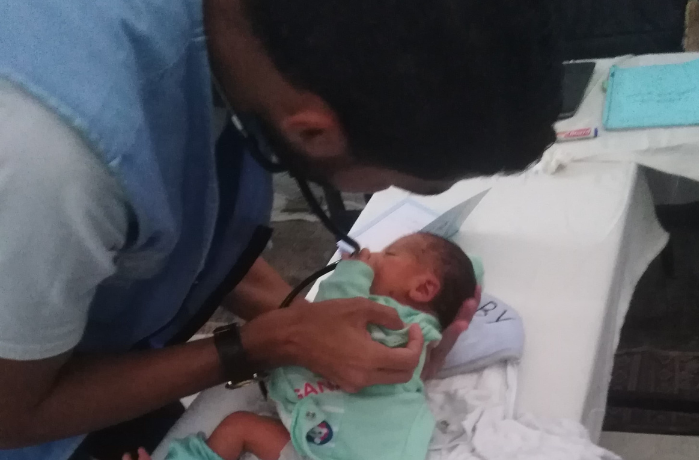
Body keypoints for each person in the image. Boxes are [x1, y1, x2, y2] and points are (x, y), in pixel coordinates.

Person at [0, 0, 561, 458]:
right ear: (314, 133)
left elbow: (175, 238)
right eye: (416, 182)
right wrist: (267, 342)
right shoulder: (55, 163)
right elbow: (13, 412)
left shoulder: (247, 41)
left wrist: (317, 331)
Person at [130, 233, 477, 460]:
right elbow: (460, 272)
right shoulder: (417, 337)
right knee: (241, 426)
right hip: (333, 446)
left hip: (343, 449)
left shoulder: (395, 320)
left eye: (390, 253)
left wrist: (352, 271)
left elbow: (331, 308)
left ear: (423, 289)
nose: (373, 254)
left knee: (239, 426)